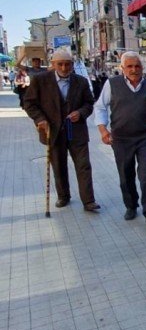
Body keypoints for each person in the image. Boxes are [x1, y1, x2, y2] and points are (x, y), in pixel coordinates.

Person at [22, 49, 100, 212]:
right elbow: (29, 103)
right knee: (59, 165)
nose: (64, 68)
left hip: (76, 131)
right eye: (61, 64)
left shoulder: (81, 82)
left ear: (72, 64)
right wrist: (40, 119)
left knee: (83, 165)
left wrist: (80, 113)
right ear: (53, 64)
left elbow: (89, 103)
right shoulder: (40, 80)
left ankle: (88, 201)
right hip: (53, 130)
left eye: (68, 64)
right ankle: (63, 196)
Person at [94, 51, 146, 225]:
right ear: (122, 68)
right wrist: (103, 131)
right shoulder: (112, 84)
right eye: (130, 66)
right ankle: (131, 205)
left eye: (137, 66)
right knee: (126, 174)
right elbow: (100, 107)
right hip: (121, 139)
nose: (134, 69)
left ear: (142, 67)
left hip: (145, 137)